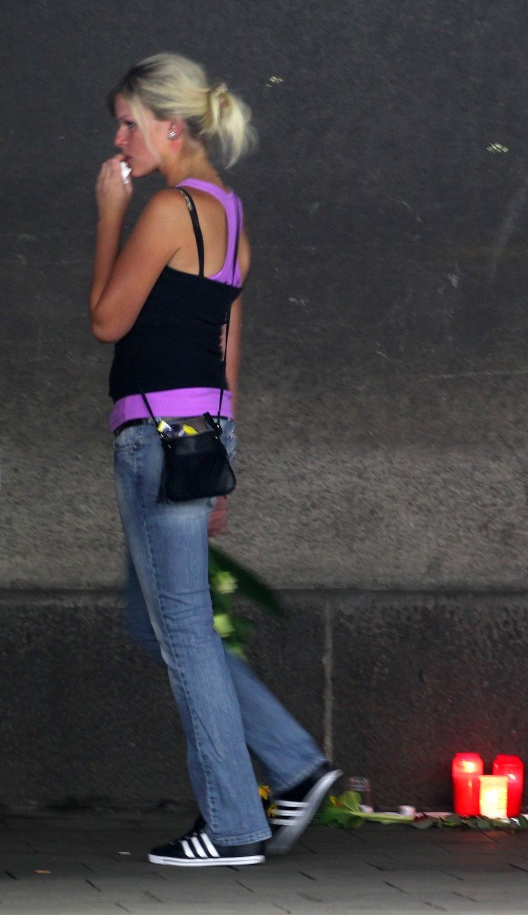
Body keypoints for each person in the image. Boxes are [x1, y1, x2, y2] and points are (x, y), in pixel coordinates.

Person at [89, 53, 340, 868]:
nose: (120, 139)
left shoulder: (165, 210)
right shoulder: (229, 214)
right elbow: (225, 343)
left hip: (154, 436)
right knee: (176, 624)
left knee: (185, 632)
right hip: (197, 434)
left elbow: (106, 320)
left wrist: (108, 212)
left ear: (171, 124)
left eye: (129, 122)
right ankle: (279, 780)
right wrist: (223, 456)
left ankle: (234, 823)